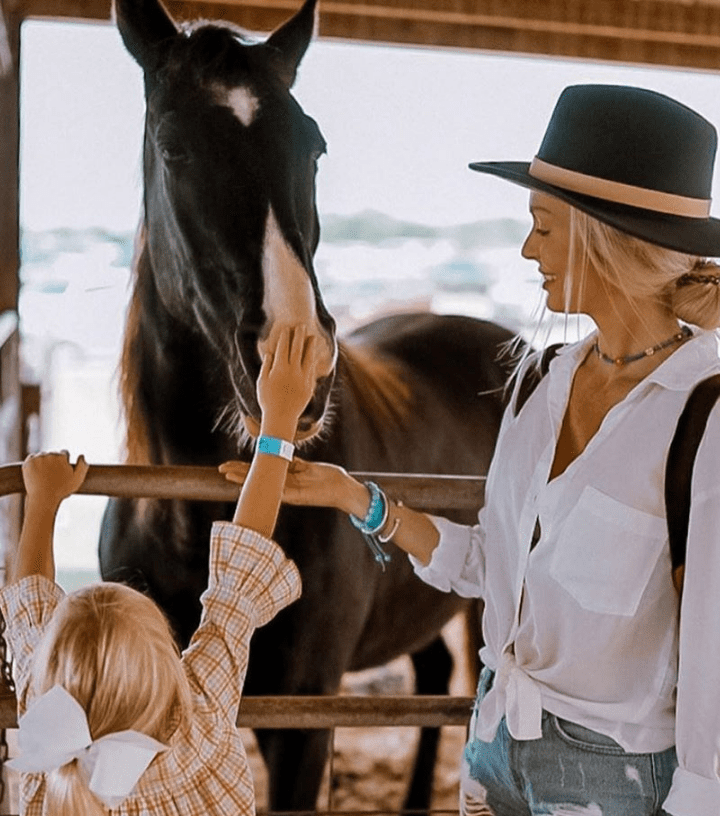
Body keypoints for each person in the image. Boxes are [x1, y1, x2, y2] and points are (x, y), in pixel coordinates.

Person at [222, 85, 720, 815]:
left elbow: (713, 652)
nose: (527, 250)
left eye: (543, 228)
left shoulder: (704, 412)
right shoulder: (538, 382)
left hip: (616, 783)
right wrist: (354, 499)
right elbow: (493, 562)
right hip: (489, 754)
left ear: (600, 237)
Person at [1, 325, 318, 816]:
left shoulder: (48, 731)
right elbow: (237, 579)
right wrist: (278, 421)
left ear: (51, 669)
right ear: (170, 667)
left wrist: (39, 501)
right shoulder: (202, 717)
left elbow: (27, 606)